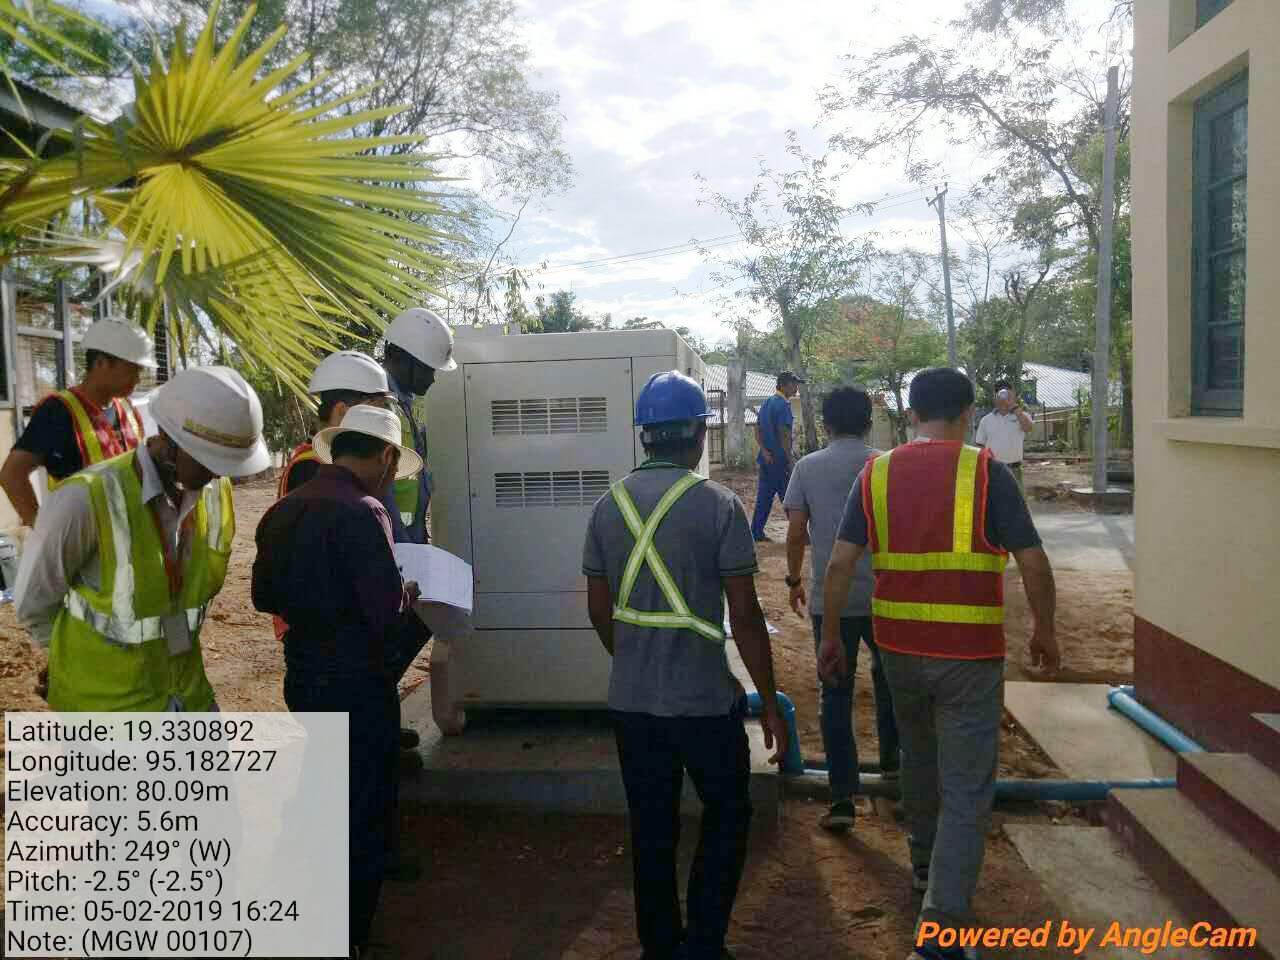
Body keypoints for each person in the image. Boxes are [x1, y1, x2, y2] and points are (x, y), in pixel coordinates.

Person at [819, 368, 1058, 960]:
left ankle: (925, 867)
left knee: (920, 763)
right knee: (967, 785)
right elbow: (1032, 561)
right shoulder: (988, 472)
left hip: (898, 650)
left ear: (911, 415)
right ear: (968, 413)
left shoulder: (876, 473)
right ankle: (943, 927)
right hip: (969, 655)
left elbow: (840, 563)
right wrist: (1045, 629)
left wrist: (829, 635)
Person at [583, 370, 789, 960]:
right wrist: (770, 702)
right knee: (727, 814)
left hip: (632, 704)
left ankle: (659, 946)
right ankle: (704, 943)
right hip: (703, 703)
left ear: (644, 435)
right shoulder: (719, 505)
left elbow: (598, 608)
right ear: (699, 434)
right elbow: (744, 614)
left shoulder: (607, 507)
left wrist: (634, 660)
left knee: (651, 828)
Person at [251, 404, 424, 960]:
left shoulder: (284, 510)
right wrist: (410, 598)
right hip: (360, 684)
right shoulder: (364, 512)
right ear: (387, 457)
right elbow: (387, 616)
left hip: (304, 678)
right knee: (364, 809)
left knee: (326, 791)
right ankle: (348, 933)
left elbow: (262, 597)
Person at [14, 366, 270, 711]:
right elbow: (34, 605)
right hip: (106, 710)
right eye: (207, 459)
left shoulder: (215, 494)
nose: (218, 473)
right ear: (166, 436)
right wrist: (64, 661)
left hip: (186, 694)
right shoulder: (84, 500)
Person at [783, 386, 899, 833]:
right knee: (892, 684)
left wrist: (794, 580)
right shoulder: (886, 465)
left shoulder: (807, 468)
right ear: (868, 424)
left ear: (826, 424)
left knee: (834, 691)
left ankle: (842, 797)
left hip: (831, 600)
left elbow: (796, 531)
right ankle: (896, 775)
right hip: (886, 597)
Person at [380, 307, 457, 761]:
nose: (431, 378)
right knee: (387, 641)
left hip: (407, 541)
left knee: (407, 631)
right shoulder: (379, 406)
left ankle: (384, 724)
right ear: (403, 358)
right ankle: (379, 735)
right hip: (389, 545)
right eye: (427, 368)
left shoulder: (402, 405)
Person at [273, 351, 391, 644]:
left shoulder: (325, 464)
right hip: (322, 629)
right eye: (374, 411)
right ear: (341, 411)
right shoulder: (311, 468)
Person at [0, 319, 156, 526]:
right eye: (132, 370)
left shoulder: (128, 409)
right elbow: (12, 475)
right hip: (81, 538)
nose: (137, 379)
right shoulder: (58, 411)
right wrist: (42, 531)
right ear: (101, 363)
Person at [750, 371, 803, 542]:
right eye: (794, 384)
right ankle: (800, 533)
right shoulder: (783, 405)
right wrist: (790, 459)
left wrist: (764, 451)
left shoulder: (768, 402)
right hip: (779, 460)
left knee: (764, 497)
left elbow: (757, 429)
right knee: (790, 497)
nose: (796, 387)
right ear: (784, 385)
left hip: (766, 459)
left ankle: (756, 532)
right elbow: (784, 433)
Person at [974, 380, 1033, 491]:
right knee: (994, 500)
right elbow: (980, 445)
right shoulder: (986, 420)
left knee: (1016, 500)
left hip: (1014, 469)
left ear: (1013, 394)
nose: (1003, 396)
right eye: (1000, 392)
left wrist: (1014, 408)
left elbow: (1028, 428)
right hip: (993, 470)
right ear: (995, 396)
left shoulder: (1022, 416)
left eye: (1007, 392)